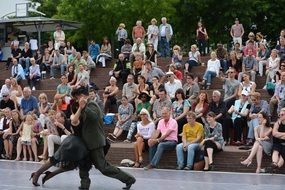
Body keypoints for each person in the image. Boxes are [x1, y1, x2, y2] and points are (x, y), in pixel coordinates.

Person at [71, 86, 136, 190]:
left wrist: (84, 107)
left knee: (103, 167)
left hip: (95, 142)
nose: (76, 100)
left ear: (82, 96)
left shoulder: (92, 104)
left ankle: (128, 179)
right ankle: (84, 185)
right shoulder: (84, 105)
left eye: (77, 98)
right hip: (86, 142)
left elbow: (95, 117)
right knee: (83, 164)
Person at [269, 108, 285, 173]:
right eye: (279, 114)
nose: (280, 116)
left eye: (282, 114)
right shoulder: (277, 123)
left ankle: (276, 168)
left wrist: (279, 135)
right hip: (278, 142)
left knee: (283, 155)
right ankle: (274, 164)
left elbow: (276, 134)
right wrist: (283, 134)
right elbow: (274, 133)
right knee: (276, 151)